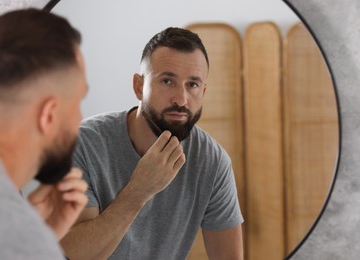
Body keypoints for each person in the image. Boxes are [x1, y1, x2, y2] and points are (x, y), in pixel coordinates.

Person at [61, 27, 244, 260]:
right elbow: (75, 255)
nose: (181, 99)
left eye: (193, 85)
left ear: (204, 91)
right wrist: (138, 192)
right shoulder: (82, 144)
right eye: (167, 81)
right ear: (139, 87)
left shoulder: (212, 161)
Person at [0, 9, 89, 259]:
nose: (80, 118)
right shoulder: (15, 236)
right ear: (49, 115)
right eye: (78, 100)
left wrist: (37, 231)